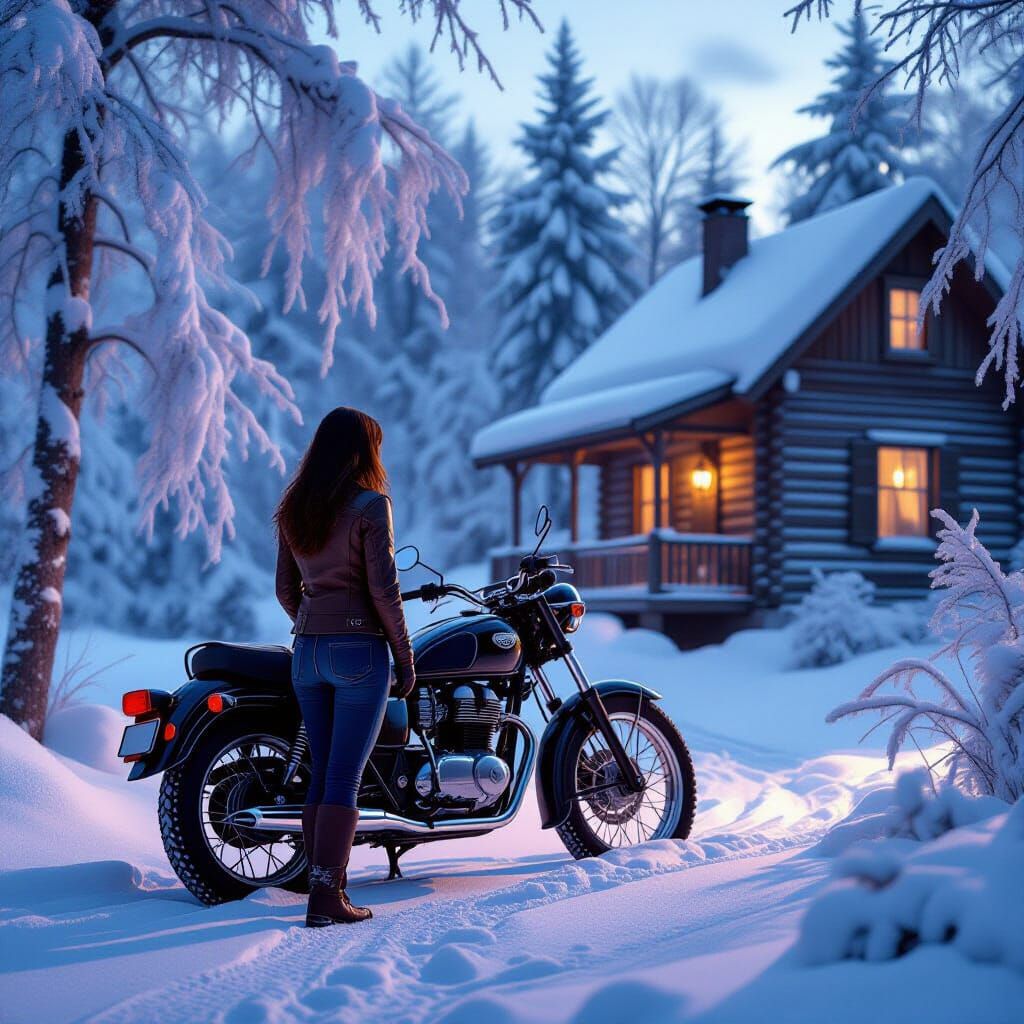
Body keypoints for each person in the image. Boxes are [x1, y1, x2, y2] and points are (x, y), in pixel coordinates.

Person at [274, 407, 416, 928]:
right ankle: (327, 896)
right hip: (359, 652)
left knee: (322, 776)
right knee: (343, 779)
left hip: (306, 653)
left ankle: (320, 888)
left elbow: (286, 591)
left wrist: (315, 625)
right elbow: (384, 590)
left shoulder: (293, 508)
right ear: (363, 451)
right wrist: (404, 657)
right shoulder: (370, 506)